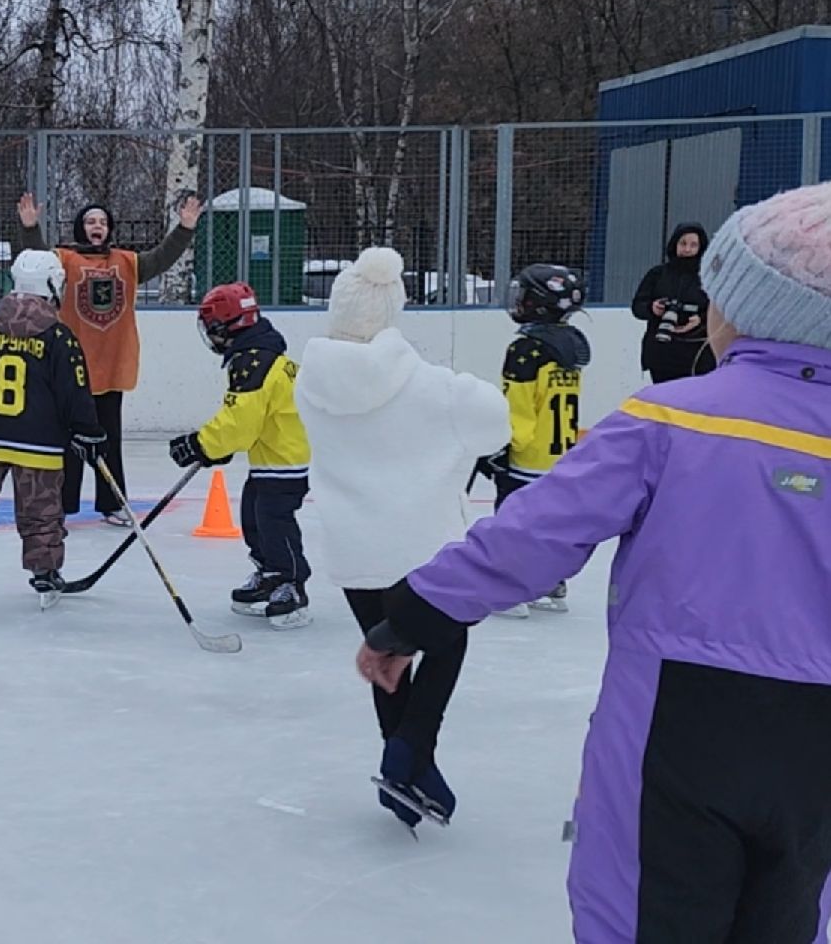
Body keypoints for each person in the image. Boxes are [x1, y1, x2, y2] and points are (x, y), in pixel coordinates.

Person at [356, 181, 831, 942]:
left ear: (739, 312)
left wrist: (407, 620)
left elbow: (531, 536)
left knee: (643, 909)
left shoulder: (670, 419)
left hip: (680, 723)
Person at [292, 247, 508, 828]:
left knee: (387, 653)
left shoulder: (309, 386)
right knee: (446, 642)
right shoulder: (436, 388)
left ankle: (405, 772)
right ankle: (411, 752)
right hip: (425, 553)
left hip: (353, 553)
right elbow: (497, 424)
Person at [12, 192, 202, 524]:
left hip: (112, 364)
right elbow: (39, 260)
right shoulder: (65, 260)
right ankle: (62, 504)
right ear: (80, 228)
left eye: (101, 222)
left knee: (108, 438)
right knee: (69, 440)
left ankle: (112, 503)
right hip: (71, 366)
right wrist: (30, 228)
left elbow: (162, 258)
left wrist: (184, 229)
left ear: (109, 228)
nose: (96, 226)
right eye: (90, 221)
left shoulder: (127, 262)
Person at [0, 250, 105, 606]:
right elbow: (75, 390)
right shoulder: (60, 336)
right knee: (41, 511)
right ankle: (45, 573)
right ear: (53, 285)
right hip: (39, 443)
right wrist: (87, 431)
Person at [168, 282, 313, 628]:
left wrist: (201, 444)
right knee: (254, 514)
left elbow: (239, 423)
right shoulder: (259, 356)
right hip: (270, 459)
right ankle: (270, 573)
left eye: (214, 330)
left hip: (286, 462)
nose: (212, 338)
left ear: (230, 327)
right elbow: (248, 421)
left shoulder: (253, 363)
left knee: (275, 521)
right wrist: (219, 447)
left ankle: (292, 584)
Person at [481, 263, 589, 617]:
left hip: (527, 459)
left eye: (525, 295)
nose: (519, 300)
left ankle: (510, 589)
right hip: (560, 457)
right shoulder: (569, 346)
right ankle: (551, 581)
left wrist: (500, 448)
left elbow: (520, 411)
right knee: (549, 523)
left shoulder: (526, 350)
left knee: (513, 523)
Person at [631, 224, 716, 383]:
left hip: (697, 354)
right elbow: (637, 306)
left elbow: (720, 309)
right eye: (683, 243)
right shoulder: (657, 274)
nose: (687, 249)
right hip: (662, 353)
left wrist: (701, 320)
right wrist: (653, 308)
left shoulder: (709, 277)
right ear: (674, 244)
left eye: (693, 245)